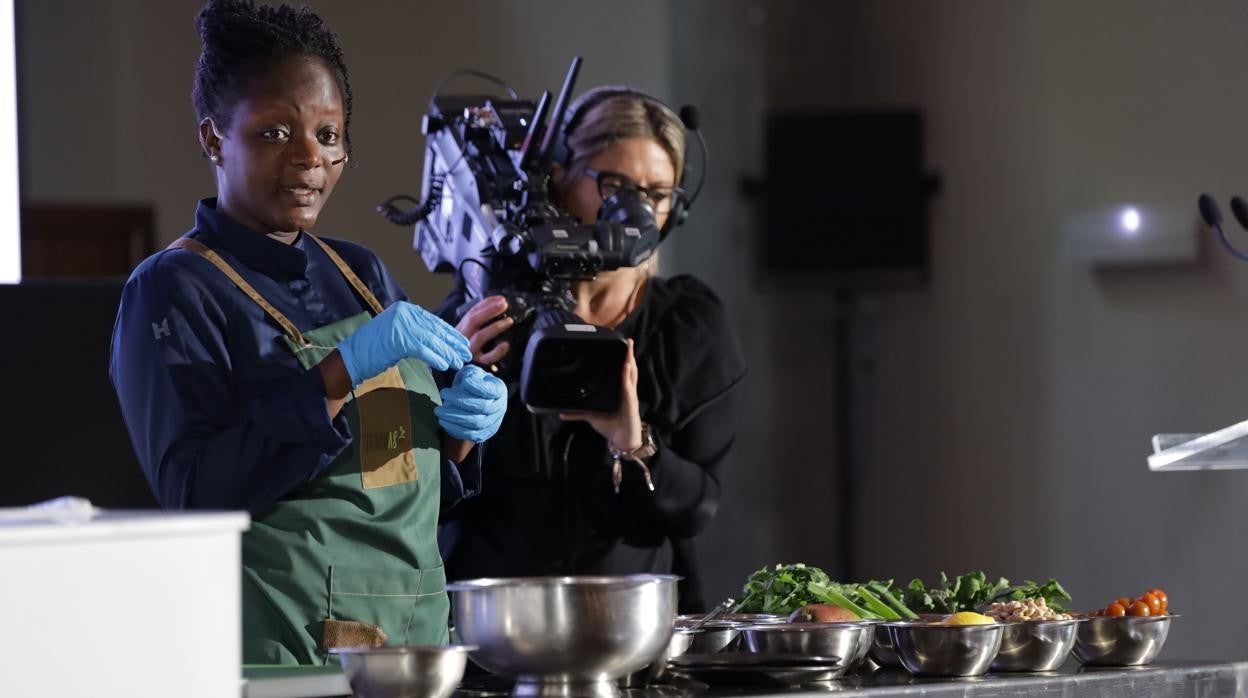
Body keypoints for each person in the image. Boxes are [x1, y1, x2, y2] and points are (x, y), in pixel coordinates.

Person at [108, 0, 507, 664]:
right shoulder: (174, 288)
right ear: (213, 139)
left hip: (412, 644)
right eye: (274, 133)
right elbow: (195, 496)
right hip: (281, 653)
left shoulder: (362, 273)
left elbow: (390, 481)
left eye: (328, 134)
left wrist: (459, 436)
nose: (309, 160)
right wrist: (341, 371)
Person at [438, 86, 747, 612]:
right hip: (492, 627)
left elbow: (697, 506)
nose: (637, 214)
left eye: (656, 194)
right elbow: (426, 497)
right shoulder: (484, 316)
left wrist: (633, 442)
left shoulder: (687, 326)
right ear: (557, 180)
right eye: (616, 185)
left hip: (632, 630)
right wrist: (456, 406)